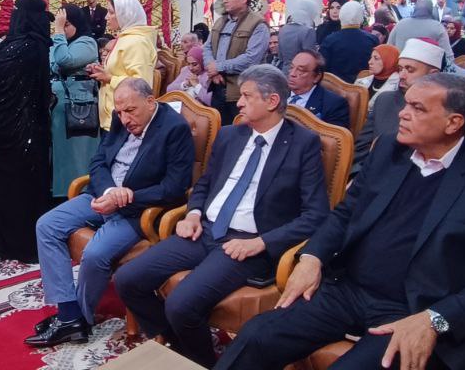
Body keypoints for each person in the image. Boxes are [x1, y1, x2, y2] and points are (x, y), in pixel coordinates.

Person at [215, 74, 465, 370]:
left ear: (454, 122)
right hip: (348, 289)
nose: (402, 114)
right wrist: (312, 256)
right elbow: (345, 213)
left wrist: (435, 320)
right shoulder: (389, 148)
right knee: (257, 336)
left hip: (416, 310)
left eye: (417, 108)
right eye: (406, 103)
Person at [115, 65, 329, 366]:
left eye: (246, 96)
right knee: (127, 279)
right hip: (205, 229)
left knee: (180, 304)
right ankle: (178, 346)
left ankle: (202, 361)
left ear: (272, 101)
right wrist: (193, 213)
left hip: (247, 243)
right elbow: (204, 184)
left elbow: (316, 215)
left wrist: (261, 242)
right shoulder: (230, 135)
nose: (238, 103)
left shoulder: (302, 143)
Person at [27, 78, 193, 347]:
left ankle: (78, 318)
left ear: (150, 102)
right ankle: (69, 314)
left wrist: (126, 197)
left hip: (138, 210)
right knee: (47, 225)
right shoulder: (121, 118)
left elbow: (174, 187)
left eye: (131, 111)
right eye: (120, 112)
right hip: (102, 195)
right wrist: (109, 192)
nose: (125, 119)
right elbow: (98, 161)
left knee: (96, 253)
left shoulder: (175, 129)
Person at [0, 0, 54, 262]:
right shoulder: (31, 43)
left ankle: (18, 244)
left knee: (17, 189)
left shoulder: (27, 46)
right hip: (25, 129)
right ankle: (9, 239)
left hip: (17, 132)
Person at [353, 39, 443, 171]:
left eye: (410, 70)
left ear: (432, 75)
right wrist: (358, 177)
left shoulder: (442, 111)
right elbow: (361, 150)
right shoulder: (385, 100)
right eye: (400, 69)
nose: (401, 75)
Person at [202, 0, 270, 125]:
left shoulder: (258, 24)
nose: (225, 0)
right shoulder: (220, 21)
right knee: (217, 130)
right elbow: (207, 48)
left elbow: (251, 59)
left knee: (240, 131)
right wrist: (212, 70)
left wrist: (219, 67)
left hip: (242, 91)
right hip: (217, 86)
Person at [50, 4, 100, 197]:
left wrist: (58, 33)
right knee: (61, 156)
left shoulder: (87, 42)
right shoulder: (63, 42)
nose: (61, 28)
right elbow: (52, 63)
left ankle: (80, 193)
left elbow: (64, 61)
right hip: (59, 105)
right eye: (60, 24)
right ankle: (60, 193)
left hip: (79, 107)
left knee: (77, 157)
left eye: (66, 24)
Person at [92, 0, 157, 130]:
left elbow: (142, 84)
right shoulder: (125, 39)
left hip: (127, 121)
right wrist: (101, 71)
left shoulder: (137, 42)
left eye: (111, 12)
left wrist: (109, 78)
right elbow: (119, 70)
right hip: (114, 118)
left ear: (125, 14)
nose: (106, 17)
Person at [285, 51, 349, 128]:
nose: (292, 74)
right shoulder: (278, 93)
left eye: (301, 70)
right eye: (291, 67)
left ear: (317, 77)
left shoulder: (334, 104)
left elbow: (334, 135)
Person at [319, 0, 377, 83]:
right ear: (361, 18)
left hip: (335, 87)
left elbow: (322, 67)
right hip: (364, 86)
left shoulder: (330, 40)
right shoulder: (372, 39)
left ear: (341, 16)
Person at [388, 0, 455, 62]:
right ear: (431, 10)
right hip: (427, 68)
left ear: (415, 8)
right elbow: (448, 56)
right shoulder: (437, 27)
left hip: (401, 66)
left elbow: (388, 47)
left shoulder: (401, 24)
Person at [276, 1, 318, 70]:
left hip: (285, 70)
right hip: (301, 71)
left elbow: (280, 56)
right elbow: (310, 57)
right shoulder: (308, 31)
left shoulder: (283, 29)